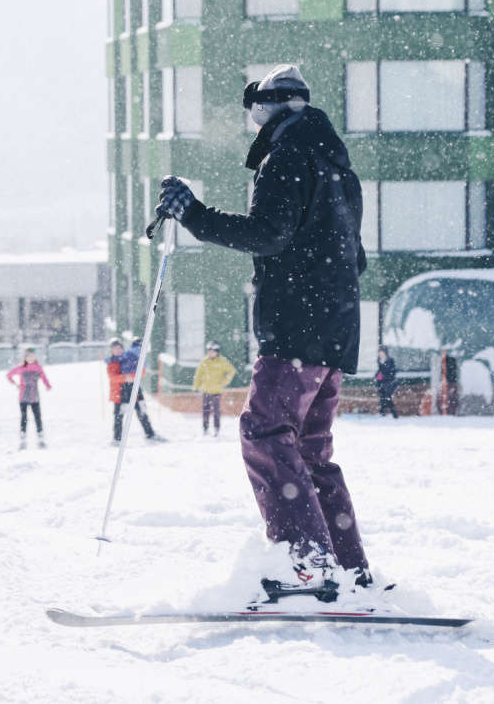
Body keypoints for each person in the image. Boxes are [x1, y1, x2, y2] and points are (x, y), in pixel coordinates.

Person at [156, 64, 370, 590]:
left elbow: (269, 234)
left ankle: (307, 566)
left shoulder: (287, 157)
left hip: (297, 329)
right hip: (337, 329)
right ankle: (345, 567)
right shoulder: (338, 165)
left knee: (265, 432)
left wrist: (195, 216)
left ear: (265, 110)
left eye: (254, 112)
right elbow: (354, 257)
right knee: (309, 450)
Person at [116, 337, 161, 442]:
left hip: (125, 386)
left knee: (122, 411)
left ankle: (118, 436)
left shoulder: (128, 352)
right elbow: (142, 371)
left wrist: (127, 375)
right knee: (141, 409)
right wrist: (134, 376)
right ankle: (149, 432)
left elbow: (123, 367)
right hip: (134, 385)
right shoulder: (142, 353)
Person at [7, 348, 52, 449]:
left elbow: (44, 378)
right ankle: (23, 433)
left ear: (35, 357)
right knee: (24, 417)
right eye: (28, 357)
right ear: (25, 358)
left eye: (32, 356)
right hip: (23, 397)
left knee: (37, 416)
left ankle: (40, 432)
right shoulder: (21, 368)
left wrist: (47, 385)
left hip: (34, 397)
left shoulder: (38, 368)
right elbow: (9, 375)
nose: (30, 358)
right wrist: (16, 384)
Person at [192, 342, 236, 436]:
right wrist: (196, 387)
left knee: (216, 411)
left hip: (216, 391)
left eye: (213, 351)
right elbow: (198, 375)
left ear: (217, 352)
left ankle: (216, 428)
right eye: (209, 351)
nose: (211, 353)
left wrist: (224, 382)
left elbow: (231, 371)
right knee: (205, 411)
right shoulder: (204, 362)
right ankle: (205, 428)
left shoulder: (222, 361)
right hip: (205, 390)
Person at [105, 338, 126, 443]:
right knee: (118, 416)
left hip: (129, 392)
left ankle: (149, 433)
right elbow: (113, 377)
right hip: (118, 393)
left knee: (141, 411)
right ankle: (117, 438)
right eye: (115, 349)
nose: (117, 350)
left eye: (119, 348)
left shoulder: (127, 359)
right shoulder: (111, 363)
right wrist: (126, 378)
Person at [375, 346, 398, 419]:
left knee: (387, 396)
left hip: (390, 382)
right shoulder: (379, 361)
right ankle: (383, 412)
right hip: (382, 382)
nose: (381, 355)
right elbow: (380, 371)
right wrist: (377, 375)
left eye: (382, 353)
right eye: (380, 353)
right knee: (382, 395)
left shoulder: (390, 361)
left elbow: (392, 372)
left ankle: (393, 413)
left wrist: (384, 376)